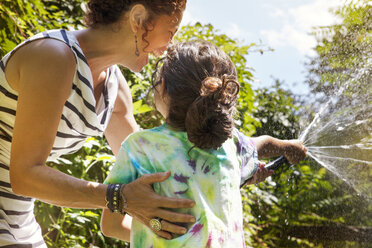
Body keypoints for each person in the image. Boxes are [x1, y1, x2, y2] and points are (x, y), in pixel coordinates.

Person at [0, 1, 198, 247]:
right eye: (170, 32)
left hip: (18, 221)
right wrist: (118, 197)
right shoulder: (53, 55)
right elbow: (25, 176)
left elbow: (150, 167)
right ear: (138, 18)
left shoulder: (114, 88)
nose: (167, 48)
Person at [100, 41, 307, 247]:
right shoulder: (230, 143)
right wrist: (287, 147)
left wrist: (157, 230)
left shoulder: (139, 147)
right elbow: (261, 145)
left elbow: (111, 225)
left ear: (162, 86)